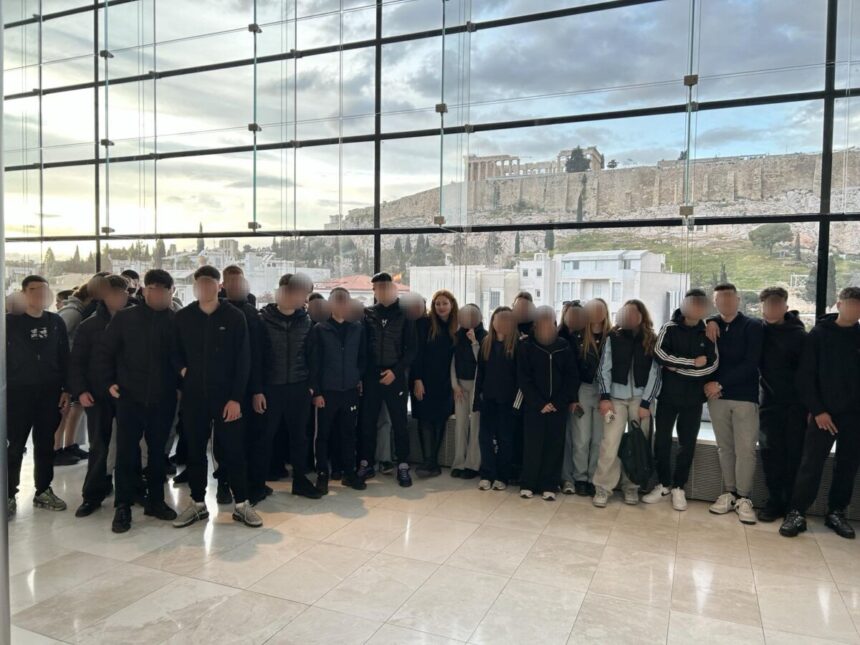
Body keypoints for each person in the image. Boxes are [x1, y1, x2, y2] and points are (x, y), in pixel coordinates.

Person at [172, 266, 260, 528]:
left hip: (227, 398)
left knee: (233, 451)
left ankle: (242, 504)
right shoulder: (184, 317)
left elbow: (244, 359)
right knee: (195, 451)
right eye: (200, 284)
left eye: (210, 284)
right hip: (194, 397)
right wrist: (183, 371)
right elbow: (173, 351)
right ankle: (198, 503)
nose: (205, 288)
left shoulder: (234, 316)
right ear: (195, 286)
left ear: (218, 286)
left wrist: (236, 398)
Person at [93, 269, 180, 533]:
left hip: (163, 399)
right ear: (144, 290)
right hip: (129, 398)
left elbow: (184, 359)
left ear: (171, 292)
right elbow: (104, 352)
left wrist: (181, 387)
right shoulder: (125, 318)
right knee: (126, 453)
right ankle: (123, 506)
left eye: (164, 290)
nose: (158, 294)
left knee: (158, 453)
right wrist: (108, 382)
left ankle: (156, 501)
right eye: (153, 289)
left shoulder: (176, 322)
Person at [780, 287, 860, 540]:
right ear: (839, 304)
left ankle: (836, 512)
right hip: (823, 413)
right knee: (811, 464)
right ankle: (796, 512)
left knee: (847, 465)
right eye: (851, 304)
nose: (855, 310)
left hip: (854, 415)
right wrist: (818, 410)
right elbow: (805, 376)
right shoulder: (819, 334)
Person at [644, 288, 718, 511]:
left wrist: (677, 366)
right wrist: (692, 363)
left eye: (699, 304)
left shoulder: (708, 330)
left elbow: (712, 364)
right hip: (668, 396)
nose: (695, 308)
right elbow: (660, 355)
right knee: (662, 441)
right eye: (691, 303)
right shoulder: (669, 327)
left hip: (694, 399)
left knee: (687, 444)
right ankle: (663, 484)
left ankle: (679, 487)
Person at [6, 275, 70, 518]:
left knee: (45, 444)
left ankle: (43, 490)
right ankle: (8, 494)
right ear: (23, 293)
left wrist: (66, 388)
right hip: (17, 393)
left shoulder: (55, 322)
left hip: (49, 393)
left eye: (44, 289)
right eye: (34, 290)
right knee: (14, 446)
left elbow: (64, 357)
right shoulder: (9, 322)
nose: (40, 294)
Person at [69, 274, 130, 517]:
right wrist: (81, 390)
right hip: (97, 394)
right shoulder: (89, 326)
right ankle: (93, 493)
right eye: (115, 293)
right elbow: (77, 362)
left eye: (124, 293)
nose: (121, 298)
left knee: (129, 446)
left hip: (128, 394)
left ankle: (130, 492)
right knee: (99, 445)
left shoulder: (135, 321)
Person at [256, 273, 321, 499]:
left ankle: (300, 481)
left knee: (299, 437)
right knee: (265, 437)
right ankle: (258, 483)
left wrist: (311, 386)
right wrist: (257, 390)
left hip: (298, 387)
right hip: (270, 388)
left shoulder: (307, 321)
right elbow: (256, 358)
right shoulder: (262, 320)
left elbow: (313, 356)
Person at [704, 283, 764, 525]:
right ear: (715, 302)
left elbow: (751, 362)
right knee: (725, 448)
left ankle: (744, 497)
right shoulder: (710, 325)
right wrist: (710, 320)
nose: (726, 302)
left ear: (738, 300)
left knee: (746, 449)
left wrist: (719, 384)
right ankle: (729, 493)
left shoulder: (753, 325)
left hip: (744, 397)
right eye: (721, 299)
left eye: (730, 298)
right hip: (716, 398)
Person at [592, 300, 661, 507]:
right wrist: (605, 398)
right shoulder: (613, 337)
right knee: (609, 444)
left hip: (641, 400)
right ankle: (603, 487)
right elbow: (604, 368)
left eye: (634, 313)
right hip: (615, 399)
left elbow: (656, 373)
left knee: (638, 444)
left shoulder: (652, 339)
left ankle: (631, 486)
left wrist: (646, 403)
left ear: (641, 315)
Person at [358, 272, 417, 486]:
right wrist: (364, 375)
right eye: (378, 288)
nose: (382, 292)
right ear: (374, 291)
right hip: (372, 377)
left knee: (399, 423)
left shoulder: (405, 314)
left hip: (396, 376)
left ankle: (403, 465)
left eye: (386, 287)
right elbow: (363, 348)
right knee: (368, 422)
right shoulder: (367, 314)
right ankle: (366, 463)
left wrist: (396, 371)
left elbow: (412, 349)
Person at [755, 287, 807, 523]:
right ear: (763, 307)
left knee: (793, 455)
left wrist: (810, 407)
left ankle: (792, 506)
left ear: (785, 307)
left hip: (796, 406)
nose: (772, 309)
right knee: (770, 454)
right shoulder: (758, 330)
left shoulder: (800, 336)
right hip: (768, 404)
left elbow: (808, 373)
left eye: (777, 305)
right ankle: (774, 501)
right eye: (768, 305)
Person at [516, 305, 580, 501]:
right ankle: (528, 483)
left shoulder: (564, 346)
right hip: (534, 406)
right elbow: (523, 378)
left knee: (554, 445)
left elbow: (571, 377)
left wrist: (558, 402)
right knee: (532, 444)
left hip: (558, 406)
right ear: (535, 325)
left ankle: (549, 484)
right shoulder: (526, 346)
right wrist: (539, 403)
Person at [309, 287, 367, 493]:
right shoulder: (320, 329)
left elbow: (362, 357)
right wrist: (317, 392)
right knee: (323, 435)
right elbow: (314, 363)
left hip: (349, 390)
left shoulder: (357, 328)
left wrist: (356, 377)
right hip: (327, 391)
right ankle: (322, 474)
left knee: (348, 434)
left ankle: (349, 473)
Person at [222, 266, 267, 505]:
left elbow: (258, 354)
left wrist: (258, 389)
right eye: (231, 282)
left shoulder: (252, 313)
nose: (236, 286)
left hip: (251, 386)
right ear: (223, 285)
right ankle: (223, 484)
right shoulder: (216, 311)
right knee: (225, 440)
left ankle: (254, 485)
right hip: (223, 388)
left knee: (253, 437)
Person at [565, 298, 610, 496]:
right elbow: (571, 368)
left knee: (599, 438)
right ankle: (580, 478)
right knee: (581, 437)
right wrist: (572, 397)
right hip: (582, 389)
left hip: (604, 392)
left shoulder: (612, 335)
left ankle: (593, 478)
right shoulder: (577, 336)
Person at [413, 290, 458, 478]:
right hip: (424, 380)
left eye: (444, 303)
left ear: (452, 305)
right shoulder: (424, 324)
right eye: (437, 303)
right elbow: (417, 353)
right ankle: (427, 461)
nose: (441, 307)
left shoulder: (457, 327)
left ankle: (433, 463)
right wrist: (417, 379)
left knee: (440, 419)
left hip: (446, 382)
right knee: (424, 419)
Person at [474, 306, 519, 491]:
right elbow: (480, 374)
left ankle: (502, 476)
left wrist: (517, 404)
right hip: (488, 400)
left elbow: (521, 378)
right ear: (492, 321)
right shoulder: (486, 343)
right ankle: (487, 474)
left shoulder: (518, 345)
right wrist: (478, 400)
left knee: (505, 439)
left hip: (508, 401)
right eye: (498, 319)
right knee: (485, 438)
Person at [450, 304, 487, 479]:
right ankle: (458, 463)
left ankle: (473, 464)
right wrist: (455, 385)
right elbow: (452, 362)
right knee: (460, 425)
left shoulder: (485, 336)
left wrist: (474, 342)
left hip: (477, 386)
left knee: (476, 425)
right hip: (460, 385)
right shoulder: (457, 336)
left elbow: (483, 362)